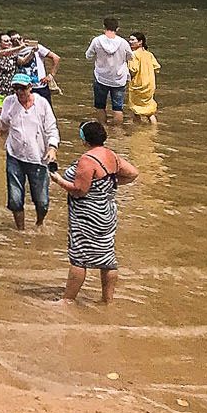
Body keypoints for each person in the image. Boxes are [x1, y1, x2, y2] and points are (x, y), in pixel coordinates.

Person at [56, 120, 140, 302]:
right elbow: (133, 173)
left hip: (88, 215)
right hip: (107, 212)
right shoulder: (111, 155)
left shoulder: (87, 160)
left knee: (79, 256)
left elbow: (79, 190)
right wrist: (110, 186)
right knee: (107, 256)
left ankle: (67, 300)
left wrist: (58, 180)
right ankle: (107, 300)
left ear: (85, 139)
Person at [0, 72, 60, 229]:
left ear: (30, 87)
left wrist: (52, 148)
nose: (19, 92)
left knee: (42, 202)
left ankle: (39, 224)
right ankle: (21, 230)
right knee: (15, 199)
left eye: (22, 88)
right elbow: (4, 124)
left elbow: (52, 129)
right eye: (15, 88)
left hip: (38, 158)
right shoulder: (9, 102)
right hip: (15, 156)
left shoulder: (42, 104)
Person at [85, 17, 133, 127]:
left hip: (101, 77)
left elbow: (88, 56)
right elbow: (131, 57)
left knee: (100, 106)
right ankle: (117, 132)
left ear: (104, 27)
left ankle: (103, 127)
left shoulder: (96, 41)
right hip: (119, 78)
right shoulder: (123, 42)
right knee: (118, 107)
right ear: (117, 28)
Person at [126, 32, 160, 123]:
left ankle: (137, 130)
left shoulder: (133, 54)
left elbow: (133, 70)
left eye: (133, 40)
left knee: (135, 110)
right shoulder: (149, 54)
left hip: (138, 85)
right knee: (149, 111)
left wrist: (127, 78)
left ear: (140, 42)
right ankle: (154, 130)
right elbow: (157, 67)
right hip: (149, 84)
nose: (130, 42)